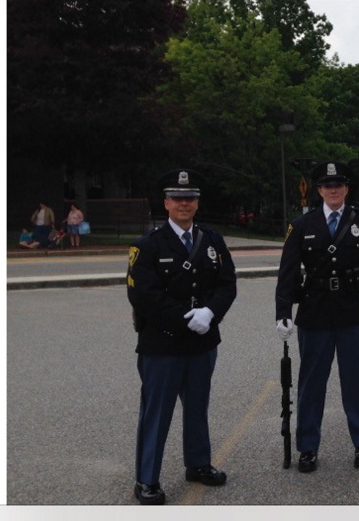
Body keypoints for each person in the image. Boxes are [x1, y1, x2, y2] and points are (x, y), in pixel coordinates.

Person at [126, 169, 237, 505]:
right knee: (156, 413)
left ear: (197, 203)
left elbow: (227, 283)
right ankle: (147, 479)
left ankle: (198, 463)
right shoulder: (147, 246)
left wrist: (210, 313)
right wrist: (185, 318)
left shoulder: (213, 241)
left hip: (202, 341)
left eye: (189, 198)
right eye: (177, 198)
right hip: (163, 344)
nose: (184, 203)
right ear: (166, 203)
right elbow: (142, 295)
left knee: (197, 408)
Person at [274, 162, 359, 472]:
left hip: (355, 309)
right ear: (318, 190)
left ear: (346, 188)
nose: (333, 190)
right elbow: (288, 272)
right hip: (315, 312)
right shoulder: (303, 225)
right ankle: (308, 447)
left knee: (355, 381)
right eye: (327, 185)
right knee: (312, 383)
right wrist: (283, 312)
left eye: (338, 184)